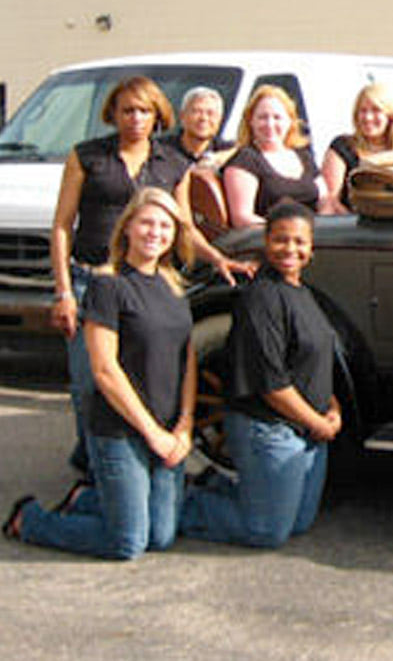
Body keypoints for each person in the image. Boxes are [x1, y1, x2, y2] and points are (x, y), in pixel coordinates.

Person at [49, 76, 242, 476]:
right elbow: (63, 225)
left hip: (148, 287)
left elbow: (185, 224)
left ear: (158, 115)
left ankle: (115, 468)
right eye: (128, 110)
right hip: (92, 282)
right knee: (89, 385)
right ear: (113, 114)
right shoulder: (86, 156)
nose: (136, 118)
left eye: (145, 110)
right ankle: (92, 467)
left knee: (139, 382)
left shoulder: (173, 164)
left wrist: (218, 257)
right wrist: (64, 291)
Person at [5, 188, 197, 559]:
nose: (155, 233)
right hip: (121, 431)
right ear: (127, 228)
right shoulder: (108, 287)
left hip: (168, 427)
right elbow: (105, 371)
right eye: (146, 223)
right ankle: (29, 520)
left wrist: (185, 426)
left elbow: (186, 360)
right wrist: (153, 434)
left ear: (175, 235)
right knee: (128, 543)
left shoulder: (175, 289)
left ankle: (88, 499)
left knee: (162, 536)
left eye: (165, 226)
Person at [179, 202, 342, 548]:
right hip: (268, 427)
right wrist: (318, 421)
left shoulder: (302, 292)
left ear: (312, 248)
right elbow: (271, 383)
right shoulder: (262, 297)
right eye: (281, 240)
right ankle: (168, 504)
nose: (290, 249)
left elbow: (314, 361)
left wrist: (333, 407)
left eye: (299, 242)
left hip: (309, 430)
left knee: (298, 523)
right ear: (266, 242)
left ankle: (220, 486)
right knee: (266, 531)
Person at [223, 85, 331, 228]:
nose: (270, 124)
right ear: (251, 121)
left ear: (290, 121)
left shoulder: (304, 156)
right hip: (270, 240)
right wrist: (289, 230)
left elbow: (325, 199)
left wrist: (320, 224)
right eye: (262, 117)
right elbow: (242, 217)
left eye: (277, 117)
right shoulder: (245, 160)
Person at [321, 84, 393, 214]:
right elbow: (330, 201)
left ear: (391, 116)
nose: (368, 117)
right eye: (363, 110)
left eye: (376, 110)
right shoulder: (343, 147)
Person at [163, 86, 236, 167]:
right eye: (197, 111)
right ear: (182, 116)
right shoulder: (161, 150)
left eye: (210, 113)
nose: (204, 118)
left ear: (220, 120)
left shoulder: (227, 150)